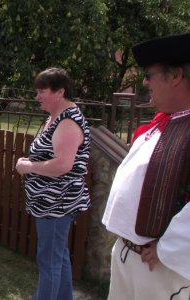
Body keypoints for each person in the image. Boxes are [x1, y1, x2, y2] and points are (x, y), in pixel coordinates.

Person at [102, 32, 190, 299]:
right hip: (128, 254)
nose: (144, 81)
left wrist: (167, 249)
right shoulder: (163, 125)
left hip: (159, 267)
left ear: (175, 76)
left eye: (150, 74)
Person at [15, 67, 91, 300]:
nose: (37, 96)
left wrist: (29, 167)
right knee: (58, 255)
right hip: (50, 202)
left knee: (49, 260)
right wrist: (32, 160)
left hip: (57, 203)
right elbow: (52, 155)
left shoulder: (68, 121)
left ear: (60, 92)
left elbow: (63, 165)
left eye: (42, 91)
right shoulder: (56, 117)